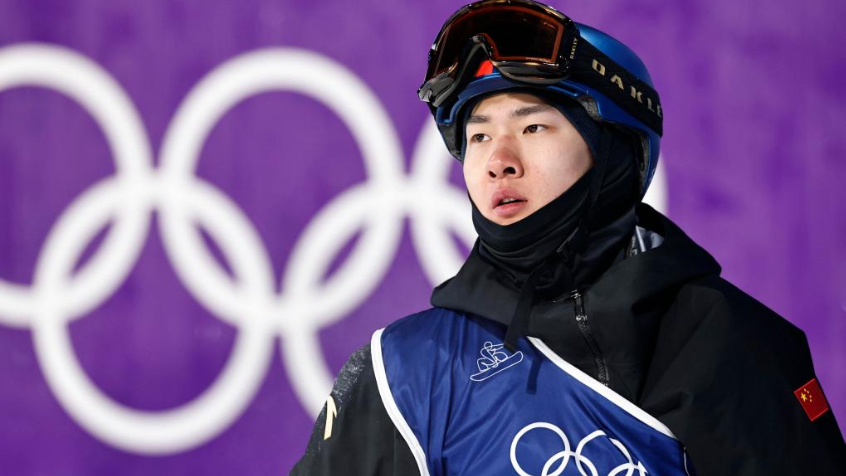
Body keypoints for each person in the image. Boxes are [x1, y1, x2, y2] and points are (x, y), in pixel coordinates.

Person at [290, 1, 845, 474]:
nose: (499, 161)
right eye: (478, 137)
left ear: (614, 149)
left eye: (533, 126)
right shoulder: (403, 372)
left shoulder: (736, 340)